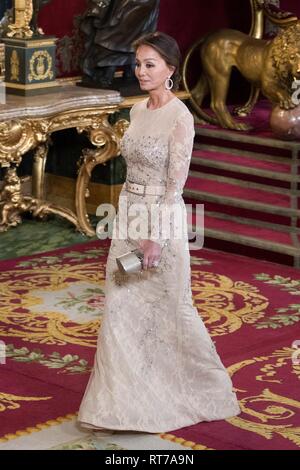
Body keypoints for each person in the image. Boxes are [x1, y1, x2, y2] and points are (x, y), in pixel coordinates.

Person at [78, 31, 240, 433]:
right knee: (120, 306)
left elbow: (175, 187)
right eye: (138, 63)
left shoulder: (181, 118)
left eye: (150, 64)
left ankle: (198, 388)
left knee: (168, 310)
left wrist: (156, 237)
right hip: (129, 214)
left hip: (159, 221)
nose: (142, 71)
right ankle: (119, 403)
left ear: (170, 69)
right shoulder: (136, 111)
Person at [80, 0, 160, 87]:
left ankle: (111, 72)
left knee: (114, 38)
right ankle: (128, 71)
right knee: (129, 38)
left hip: (131, 8)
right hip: (140, 7)